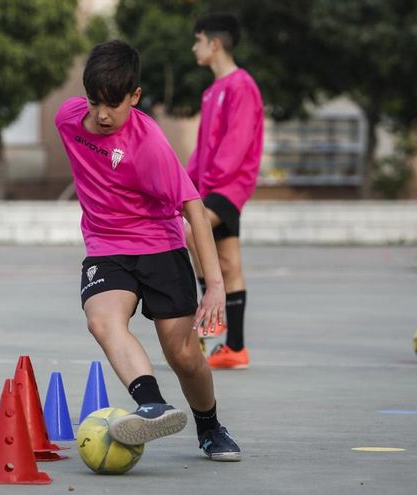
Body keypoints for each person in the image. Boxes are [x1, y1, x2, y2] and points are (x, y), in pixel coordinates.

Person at [55, 40, 241, 460]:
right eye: (94, 102)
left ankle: (210, 427)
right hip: (106, 247)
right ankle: (152, 404)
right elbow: (80, 116)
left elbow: (193, 208)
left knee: (183, 354)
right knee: (101, 320)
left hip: (160, 246)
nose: (102, 115)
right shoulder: (68, 118)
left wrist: (214, 285)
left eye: (113, 104)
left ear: (135, 97)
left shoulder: (148, 145)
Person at [185, 13, 264, 370]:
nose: (194, 48)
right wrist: (184, 183)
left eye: (198, 40)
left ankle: (209, 313)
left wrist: (208, 185)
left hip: (228, 186)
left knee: (190, 232)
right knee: (230, 263)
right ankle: (235, 348)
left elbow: (236, 143)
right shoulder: (212, 91)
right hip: (210, 185)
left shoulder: (241, 85)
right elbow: (201, 148)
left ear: (214, 44)